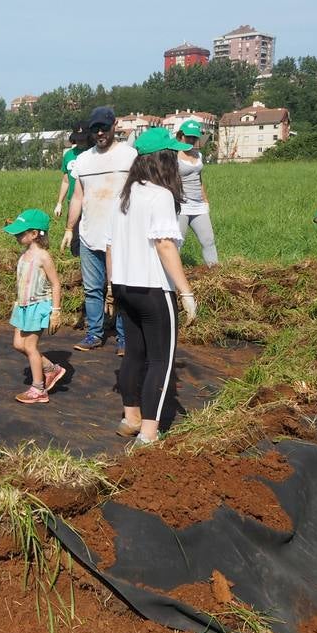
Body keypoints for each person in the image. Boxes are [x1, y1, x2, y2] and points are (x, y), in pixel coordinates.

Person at [106, 127, 198, 448]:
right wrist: (185, 291)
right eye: (172, 154)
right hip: (154, 291)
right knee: (161, 361)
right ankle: (148, 433)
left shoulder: (125, 196)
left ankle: (130, 418)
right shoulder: (160, 195)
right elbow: (164, 245)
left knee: (134, 354)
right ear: (163, 159)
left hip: (125, 288)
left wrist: (110, 286)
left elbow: (109, 245)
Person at [62, 106, 131, 354]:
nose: (100, 132)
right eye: (96, 129)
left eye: (104, 127)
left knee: (121, 288)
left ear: (115, 126)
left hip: (121, 237)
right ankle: (94, 333)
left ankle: (124, 337)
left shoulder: (129, 156)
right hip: (90, 235)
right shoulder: (83, 160)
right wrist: (70, 228)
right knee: (92, 289)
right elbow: (78, 197)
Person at [4, 209, 65, 404]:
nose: (17, 236)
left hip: (38, 305)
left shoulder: (44, 257)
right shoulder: (24, 255)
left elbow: (56, 283)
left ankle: (39, 389)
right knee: (17, 345)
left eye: (21, 232)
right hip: (22, 305)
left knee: (30, 346)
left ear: (34, 234)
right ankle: (51, 368)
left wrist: (56, 312)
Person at [176, 119, 218, 266]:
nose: (192, 140)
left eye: (195, 137)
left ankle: (216, 275)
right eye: (189, 137)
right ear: (180, 135)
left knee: (208, 240)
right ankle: (171, 281)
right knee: (177, 244)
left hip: (198, 205)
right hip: (181, 206)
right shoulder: (173, 155)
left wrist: (205, 200)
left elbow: (199, 179)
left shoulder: (198, 155)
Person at [53, 124, 89, 221]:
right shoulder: (68, 155)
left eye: (83, 138)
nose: (80, 141)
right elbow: (66, 181)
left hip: (91, 203)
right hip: (73, 202)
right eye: (78, 138)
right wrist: (59, 203)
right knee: (72, 233)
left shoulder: (94, 153)